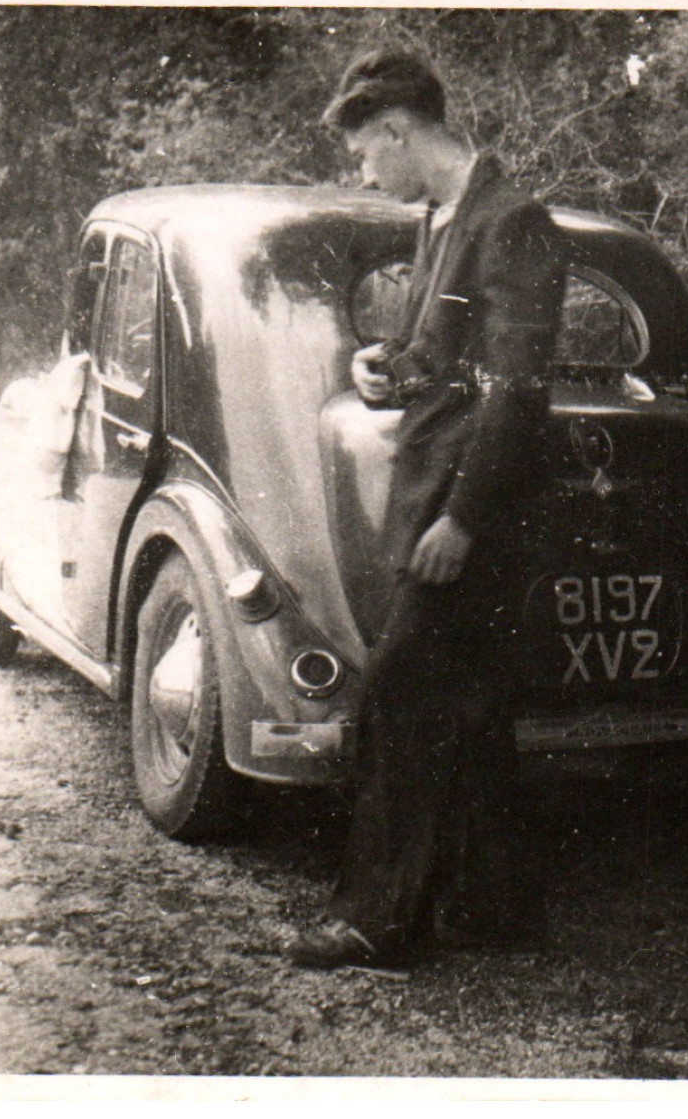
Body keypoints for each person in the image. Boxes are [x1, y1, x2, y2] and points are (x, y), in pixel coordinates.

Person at [289, 48, 565, 967]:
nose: (365, 171)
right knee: (473, 706)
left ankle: (375, 915)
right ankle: (494, 908)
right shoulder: (442, 217)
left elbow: (517, 392)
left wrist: (466, 520)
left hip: (471, 509)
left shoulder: (511, 220)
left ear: (400, 131)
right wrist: (382, 366)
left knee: (402, 698)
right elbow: (436, 359)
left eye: (368, 152)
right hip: (435, 492)